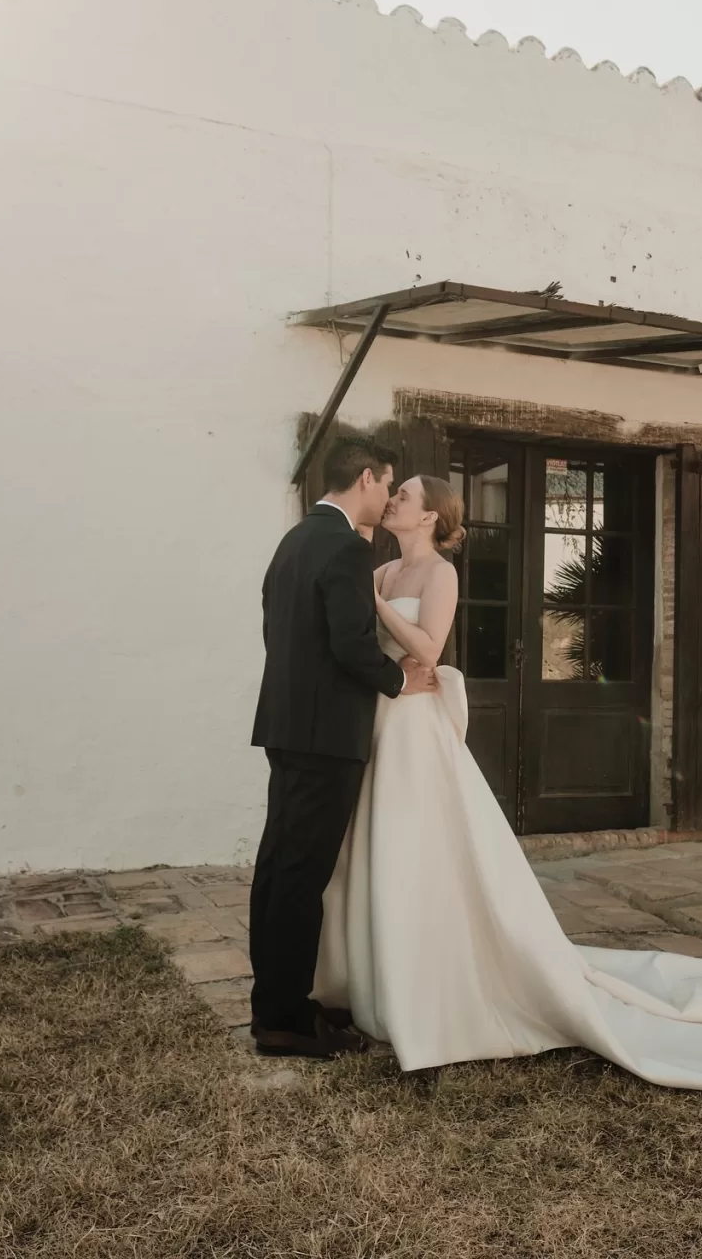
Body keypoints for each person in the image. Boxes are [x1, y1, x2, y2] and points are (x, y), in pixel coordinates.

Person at [311, 473, 702, 1104]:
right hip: (383, 718)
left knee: (421, 841)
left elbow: (430, 649)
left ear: (429, 517)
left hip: (417, 727)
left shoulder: (437, 575)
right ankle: (381, 976)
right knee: (381, 846)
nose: (393, 500)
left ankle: (436, 983)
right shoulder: (382, 571)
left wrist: (376, 607)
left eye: (405, 496)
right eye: (394, 493)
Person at [248, 436, 438, 1059]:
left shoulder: (294, 541)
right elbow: (352, 643)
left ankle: (277, 1003)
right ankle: (285, 1023)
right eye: (387, 483)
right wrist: (398, 680)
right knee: (302, 878)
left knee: (279, 868)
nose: (387, 497)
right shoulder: (347, 548)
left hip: (285, 726)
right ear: (365, 479)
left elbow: (279, 627)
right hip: (327, 736)